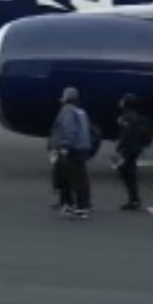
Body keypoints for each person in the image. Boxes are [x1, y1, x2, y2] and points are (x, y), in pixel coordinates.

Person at [49, 87, 93, 218]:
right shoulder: (81, 111)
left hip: (73, 149)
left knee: (69, 178)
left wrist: (65, 146)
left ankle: (76, 206)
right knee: (81, 178)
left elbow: (68, 129)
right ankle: (83, 204)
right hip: (83, 148)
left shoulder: (67, 110)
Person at [115, 93, 152, 210]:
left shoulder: (127, 117)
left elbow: (126, 135)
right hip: (135, 149)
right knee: (129, 174)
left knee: (127, 174)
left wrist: (119, 148)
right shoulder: (136, 116)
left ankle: (134, 200)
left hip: (129, 150)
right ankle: (134, 199)